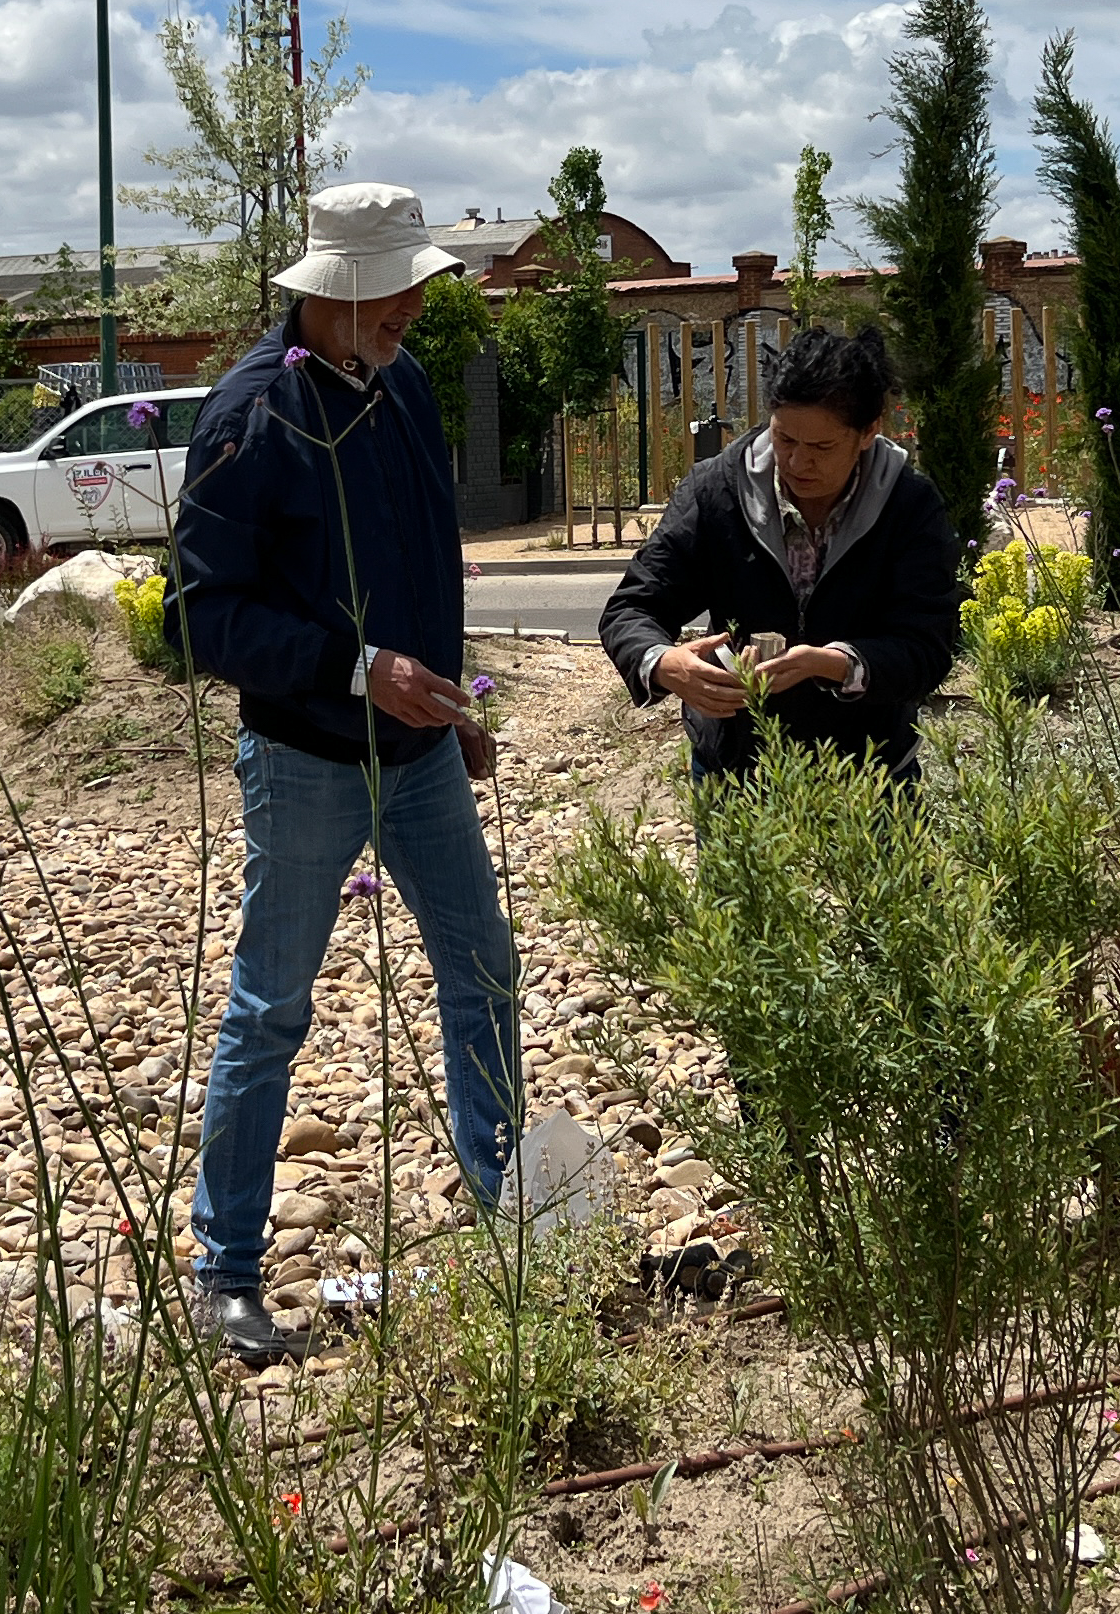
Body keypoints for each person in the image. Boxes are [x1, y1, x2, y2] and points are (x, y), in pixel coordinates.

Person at [169, 182, 519, 1367]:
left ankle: (508, 1219)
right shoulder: (249, 417)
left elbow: (434, 561)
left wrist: (455, 699)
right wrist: (358, 666)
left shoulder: (404, 386)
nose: (417, 305)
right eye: (400, 288)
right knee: (270, 1010)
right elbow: (201, 622)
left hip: (419, 756)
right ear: (336, 293)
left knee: (482, 968)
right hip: (306, 757)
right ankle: (225, 1270)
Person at [600, 322, 964, 782]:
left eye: (821, 447)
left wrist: (834, 664)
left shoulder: (908, 504)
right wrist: (662, 662)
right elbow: (633, 607)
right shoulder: (716, 490)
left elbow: (928, 646)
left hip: (870, 778)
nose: (796, 462)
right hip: (736, 772)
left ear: (869, 432)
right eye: (785, 439)